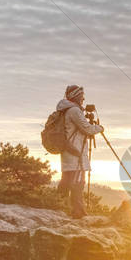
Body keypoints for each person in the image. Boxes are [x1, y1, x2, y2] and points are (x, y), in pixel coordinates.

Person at [56, 84, 103, 218]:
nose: (83, 99)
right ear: (75, 96)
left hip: (68, 150)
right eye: (81, 96)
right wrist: (100, 128)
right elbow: (87, 129)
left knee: (67, 179)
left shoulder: (66, 110)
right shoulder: (74, 111)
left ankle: (58, 205)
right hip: (75, 151)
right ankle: (79, 212)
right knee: (78, 182)